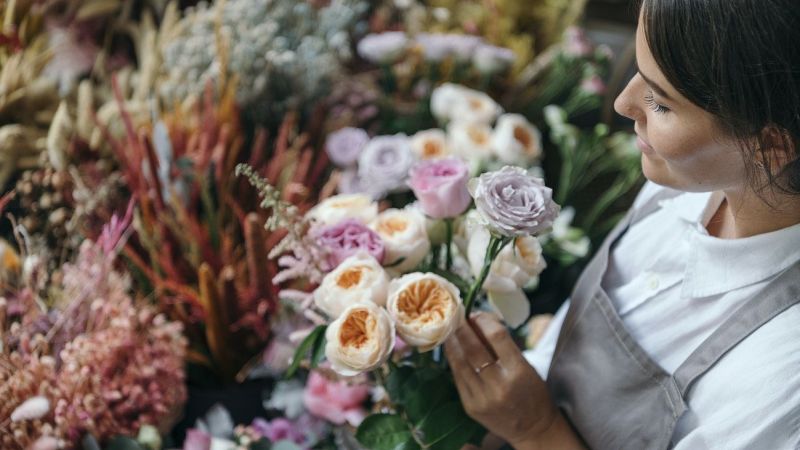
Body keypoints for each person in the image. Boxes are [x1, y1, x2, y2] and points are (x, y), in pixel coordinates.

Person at [445, 0, 800, 448]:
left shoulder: (782, 374)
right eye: (639, 71)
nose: (623, 103)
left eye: (660, 102)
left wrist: (537, 430)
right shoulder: (684, 184)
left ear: (770, 148)